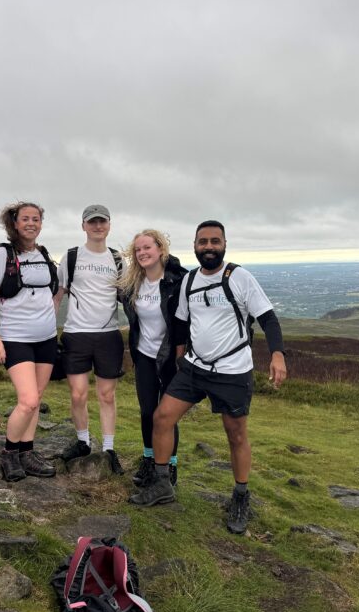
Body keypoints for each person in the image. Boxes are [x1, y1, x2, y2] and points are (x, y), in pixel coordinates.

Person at [129, 220, 288, 534]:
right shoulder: (189, 281)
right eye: (203, 242)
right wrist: (178, 359)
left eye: (215, 241)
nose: (209, 247)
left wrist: (278, 354)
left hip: (232, 372)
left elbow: (267, 318)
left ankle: (241, 496)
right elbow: (179, 324)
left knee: (236, 435)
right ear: (195, 246)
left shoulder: (239, 277)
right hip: (193, 367)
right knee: (162, 418)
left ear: (224, 244)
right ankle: (163, 484)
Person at [0, 202, 59, 481]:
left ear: (41, 223)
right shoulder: (3, 254)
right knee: (27, 400)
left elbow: (53, 293)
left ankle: (27, 452)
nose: (31, 223)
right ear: (14, 223)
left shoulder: (43, 253)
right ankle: (9, 454)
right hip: (15, 337)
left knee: (36, 401)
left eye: (35, 219)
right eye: (25, 219)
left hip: (46, 338)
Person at [55, 205, 126, 475]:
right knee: (77, 394)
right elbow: (59, 294)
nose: (98, 226)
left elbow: (126, 296)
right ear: (83, 226)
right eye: (92, 222)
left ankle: (108, 449)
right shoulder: (71, 257)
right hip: (76, 333)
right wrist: (49, 328)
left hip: (109, 335)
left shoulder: (118, 260)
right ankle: (83, 442)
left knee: (107, 395)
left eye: (102, 221)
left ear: (109, 225)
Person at [119, 230, 186, 488]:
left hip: (170, 358)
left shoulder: (177, 281)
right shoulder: (133, 284)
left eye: (147, 247)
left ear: (160, 249)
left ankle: (170, 466)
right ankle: (149, 460)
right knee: (147, 412)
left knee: (166, 416)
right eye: (138, 250)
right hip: (144, 356)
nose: (142, 253)